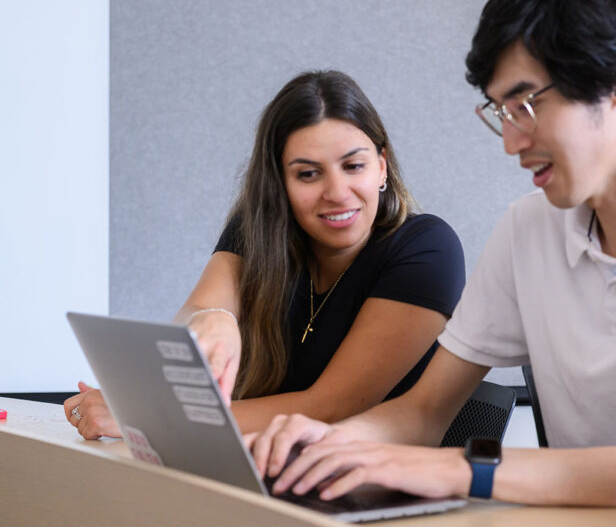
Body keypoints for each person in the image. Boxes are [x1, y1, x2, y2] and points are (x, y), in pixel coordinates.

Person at [247, 0, 616, 509]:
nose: (511, 142)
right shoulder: (528, 229)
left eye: (527, 105)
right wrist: (320, 445)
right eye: (500, 112)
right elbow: (422, 413)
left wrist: (465, 471)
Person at [64, 70, 465, 438]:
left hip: (384, 493)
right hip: (270, 475)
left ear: (382, 167)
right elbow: (192, 323)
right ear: (279, 184)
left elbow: (328, 408)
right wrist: (214, 318)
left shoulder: (428, 247)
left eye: (353, 166)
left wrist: (145, 415)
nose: (337, 192)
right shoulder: (257, 232)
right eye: (308, 173)